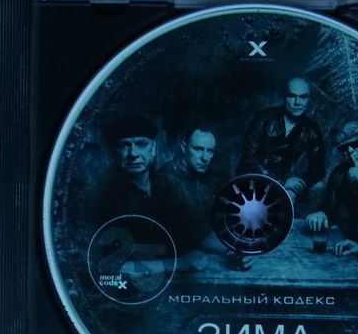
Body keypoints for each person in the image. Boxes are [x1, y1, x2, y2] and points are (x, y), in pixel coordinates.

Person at [164, 128, 252, 270]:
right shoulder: (168, 179)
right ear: (183, 147)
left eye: (210, 151)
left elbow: (228, 210)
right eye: (198, 149)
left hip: (207, 251)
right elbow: (195, 232)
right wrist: (234, 251)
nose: (205, 158)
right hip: (179, 259)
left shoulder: (207, 176)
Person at [305, 121, 358, 256]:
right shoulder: (339, 172)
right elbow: (331, 206)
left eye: (355, 144)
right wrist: (322, 214)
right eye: (344, 148)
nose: (350, 151)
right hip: (352, 240)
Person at [236, 76, 324, 202]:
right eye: (292, 96)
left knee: (319, 186)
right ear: (284, 96)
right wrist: (281, 182)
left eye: (303, 97)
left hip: (285, 184)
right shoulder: (264, 118)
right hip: (253, 178)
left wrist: (297, 186)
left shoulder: (311, 128)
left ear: (308, 99)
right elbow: (248, 158)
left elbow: (318, 167)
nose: (297, 102)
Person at [92, 115, 170, 227]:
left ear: (153, 148)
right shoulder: (107, 197)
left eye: (141, 144)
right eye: (124, 145)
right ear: (115, 151)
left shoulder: (167, 185)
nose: (133, 153)